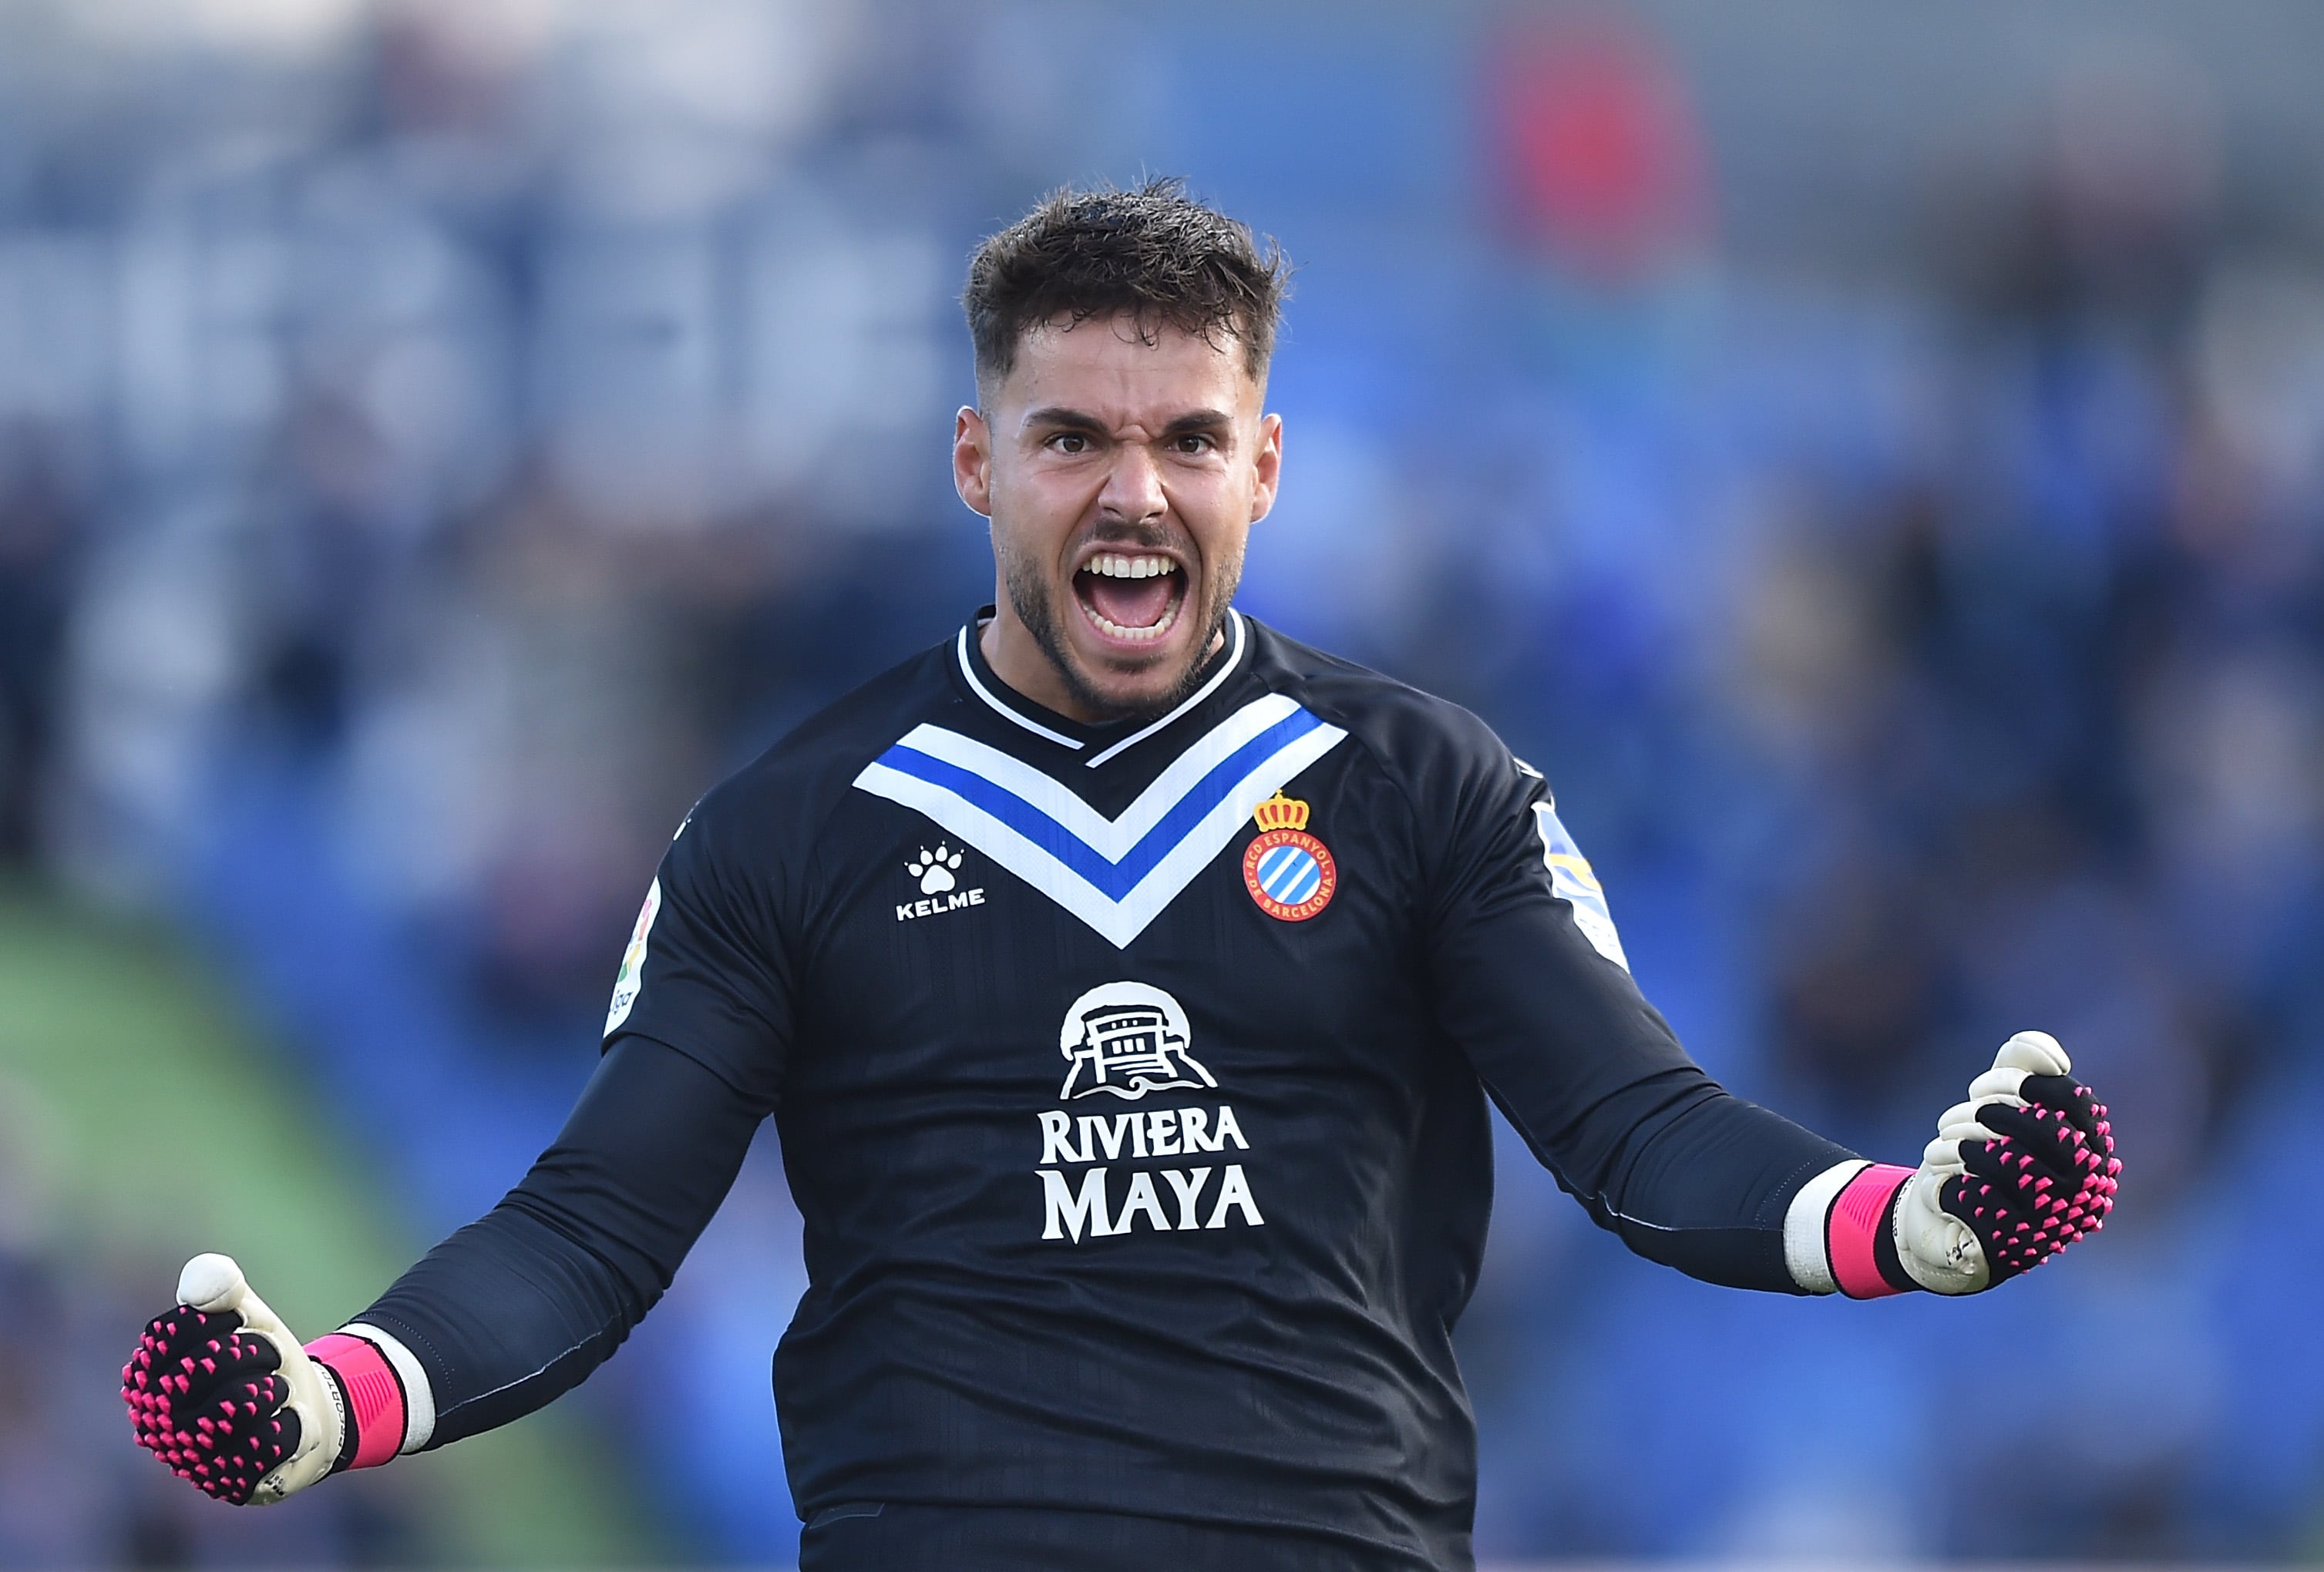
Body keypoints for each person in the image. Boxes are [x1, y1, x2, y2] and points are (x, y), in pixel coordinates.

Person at [123, 180, 2117, 1571]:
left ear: (1265, 468)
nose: (1133, 489)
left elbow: (1640, 1131)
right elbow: (589, 1233)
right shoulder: (788, 827)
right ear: (979, 463)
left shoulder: (1419, 788)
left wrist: (1902, 1227)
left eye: (1186, 437)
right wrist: (337, 1396)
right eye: (1073, 436)